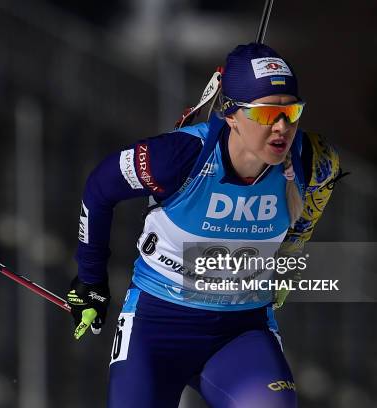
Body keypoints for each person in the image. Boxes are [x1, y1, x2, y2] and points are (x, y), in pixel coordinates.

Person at [66, 43, 340, 407]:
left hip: (240, 331)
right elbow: (101, 187)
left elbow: (312, 203)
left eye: (291, 111)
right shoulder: (178, 157)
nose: (282, 127)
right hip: (157, 327)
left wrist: (288, 257)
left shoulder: (311, 159)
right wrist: (90, 280)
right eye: (265, 114)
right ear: (230, 114)